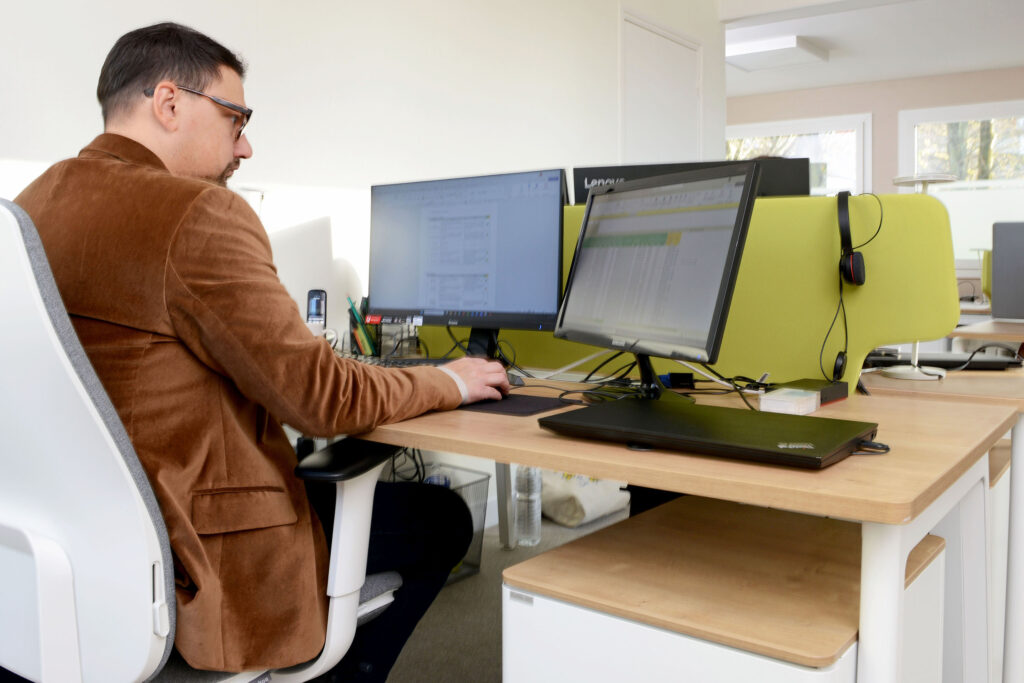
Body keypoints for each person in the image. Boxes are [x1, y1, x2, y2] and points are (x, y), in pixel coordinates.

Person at [15, 22, 509, 680]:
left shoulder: (31, 206)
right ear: (169, 103)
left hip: (85, 558)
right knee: (442, 517)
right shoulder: (196, 212)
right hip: (204, 561)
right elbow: (323, 399)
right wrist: (448, 380)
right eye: (235, 119)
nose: (244, 146)